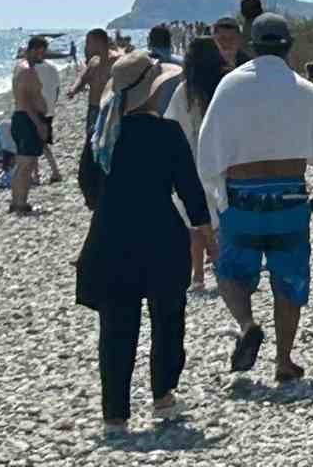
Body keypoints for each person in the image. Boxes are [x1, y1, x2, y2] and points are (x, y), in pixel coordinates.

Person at [198, 12, 313, 383]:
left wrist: (211, 199)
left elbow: (208, 148)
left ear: (252, 44)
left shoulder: (230, 86)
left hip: (242, 197)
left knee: (229, 271)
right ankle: (283, 360)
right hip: (290, 196)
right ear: (289, 46)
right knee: (289, 277)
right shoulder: (303, 89)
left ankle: (247, 325)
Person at [76, 50, 215, 437]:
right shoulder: (166, 132)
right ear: (150, 90)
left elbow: (88, 187)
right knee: (168, 318)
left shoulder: (103, 135)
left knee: (117, 327)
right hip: (160, 236)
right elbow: (190, 191)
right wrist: (207, 234)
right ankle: (163, 396)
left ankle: (115, 416)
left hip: (111, 236)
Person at [166, 36, 230, 290]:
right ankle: (225, 268)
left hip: (193, 159)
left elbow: (174, 124)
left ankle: (198, 277)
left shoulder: (185, 91)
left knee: (195, 220)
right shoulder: (226, 84)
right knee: (223, 215)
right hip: (225, 156)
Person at [9, 37, 51, 212]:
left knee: (26, 162)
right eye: (41, 52)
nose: (43, 56)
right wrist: (38, 124)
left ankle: (19, 201)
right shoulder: (27, 71)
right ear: (33, 50)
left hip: (24, 118)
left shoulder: (21, 67)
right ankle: (19, 203)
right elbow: (26, 102)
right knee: (26, 164)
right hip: (27, 119)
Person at [67, 29, 116, 144]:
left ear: (98, 43)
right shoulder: (93, 61)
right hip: (93, 109)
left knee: (106, 142)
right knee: (91, 141)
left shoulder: (116, 62)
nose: (86, 47)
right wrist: (74, 89)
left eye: (88, 43)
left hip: (108, 109)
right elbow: (83, 78)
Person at [33, 51, 63, 184]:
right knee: (42, 143)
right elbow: (57, 89)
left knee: (35, 143)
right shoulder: (52, 66)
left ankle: (40, 174)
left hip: (37, 109)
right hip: (49, 110)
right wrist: (52, 104)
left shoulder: (32, 68)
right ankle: (50, 172)